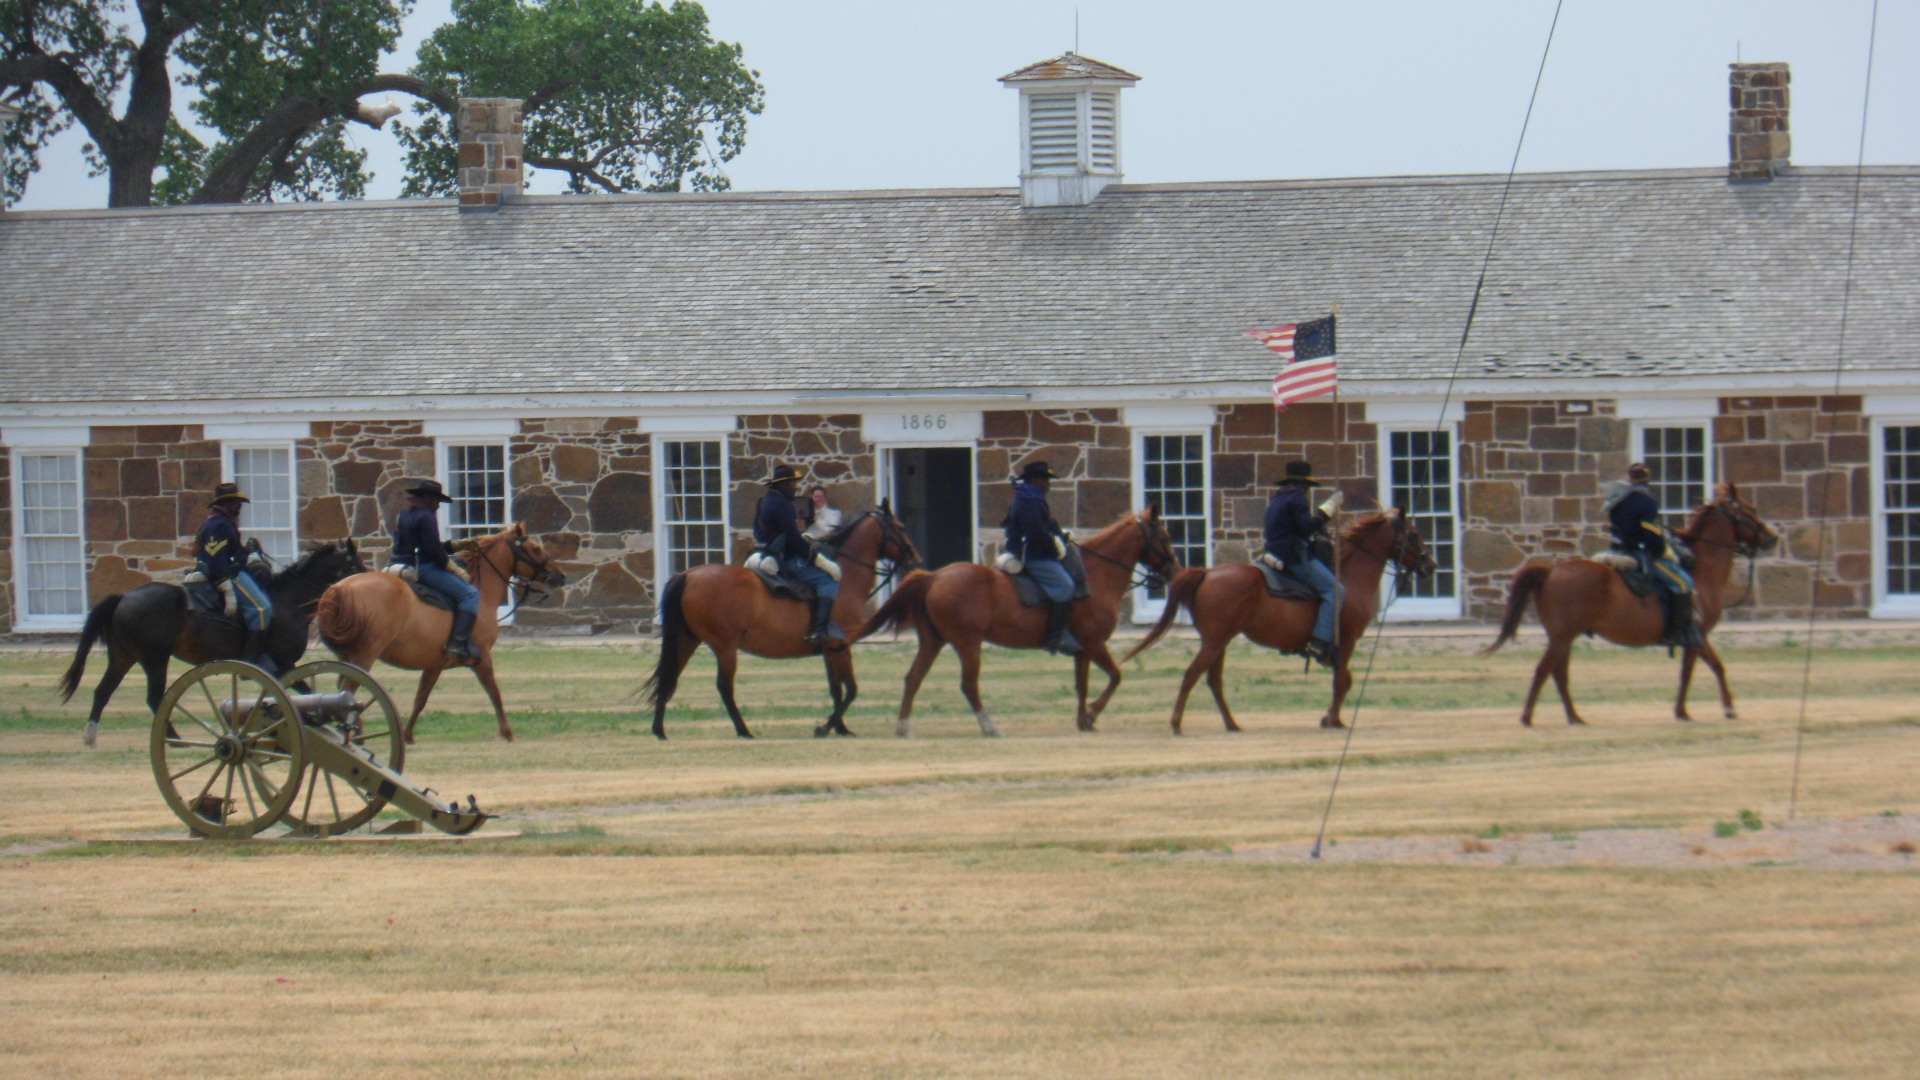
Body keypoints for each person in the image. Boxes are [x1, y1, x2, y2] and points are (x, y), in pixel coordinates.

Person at [1604, 462, 1703, 649]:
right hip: (1638, 553)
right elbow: (1651, 536)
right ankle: (1676, 633)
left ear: (1630, 479)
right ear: (1646, 480)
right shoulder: (1646, 503)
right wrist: (1662, 551)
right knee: (1683, 583)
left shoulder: (1617, 500)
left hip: (1617, 548)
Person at [1259, 461, 1344, 667]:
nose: (1307, 491)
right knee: (1336, 591)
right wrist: (1327, 510)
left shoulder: (1277, 498)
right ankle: (1319, 642)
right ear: (1302, 484)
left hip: (1273, 552)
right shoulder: (1297, 499)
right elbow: (1306, 528)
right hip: (1293, 556)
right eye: (1307, 487)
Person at [391, 479, 483, 663]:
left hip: (397, 563)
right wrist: (456, 570)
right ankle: (457, 643)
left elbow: (425, 545)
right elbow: (433, 553)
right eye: (436, 501)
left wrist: (456, 545)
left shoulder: (403, 515)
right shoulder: (426, 516)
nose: (438, 506)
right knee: (470, 594)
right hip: (422, 568)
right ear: (427, 498)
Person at [754, 463, 841, 648]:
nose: (796, 487)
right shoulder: (783, 504)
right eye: (793, 483)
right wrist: (818, 559)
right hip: (786, 556)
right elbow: (793, 539)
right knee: (828, 579)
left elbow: (759, 532)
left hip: (766, 551)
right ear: (784, 484)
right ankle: (819, 630)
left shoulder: (764, 501)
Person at [194, 482, 278, 674]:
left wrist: (246, 552)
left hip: (231, 569)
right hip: (226, 575)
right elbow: (215, 560)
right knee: (262, 609)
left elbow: (230, 551)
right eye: (235, 502)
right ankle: (251, 661)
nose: (239, 506)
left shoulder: (224, 522)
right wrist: (225, 584)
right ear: (225, 503)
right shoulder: (219, 525)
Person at [1003, 460, 1081, 656]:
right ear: (1035, 480)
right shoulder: (1029, 501)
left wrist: (1061, 535)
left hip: (1037, 549)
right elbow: (1036, 533)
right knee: (1065, 586)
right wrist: (1054, 547)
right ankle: (1055, 638)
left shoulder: (1033, 497)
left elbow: (1048, 524)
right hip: (1033, 554)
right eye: (1046, 480)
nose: (1048, 484)